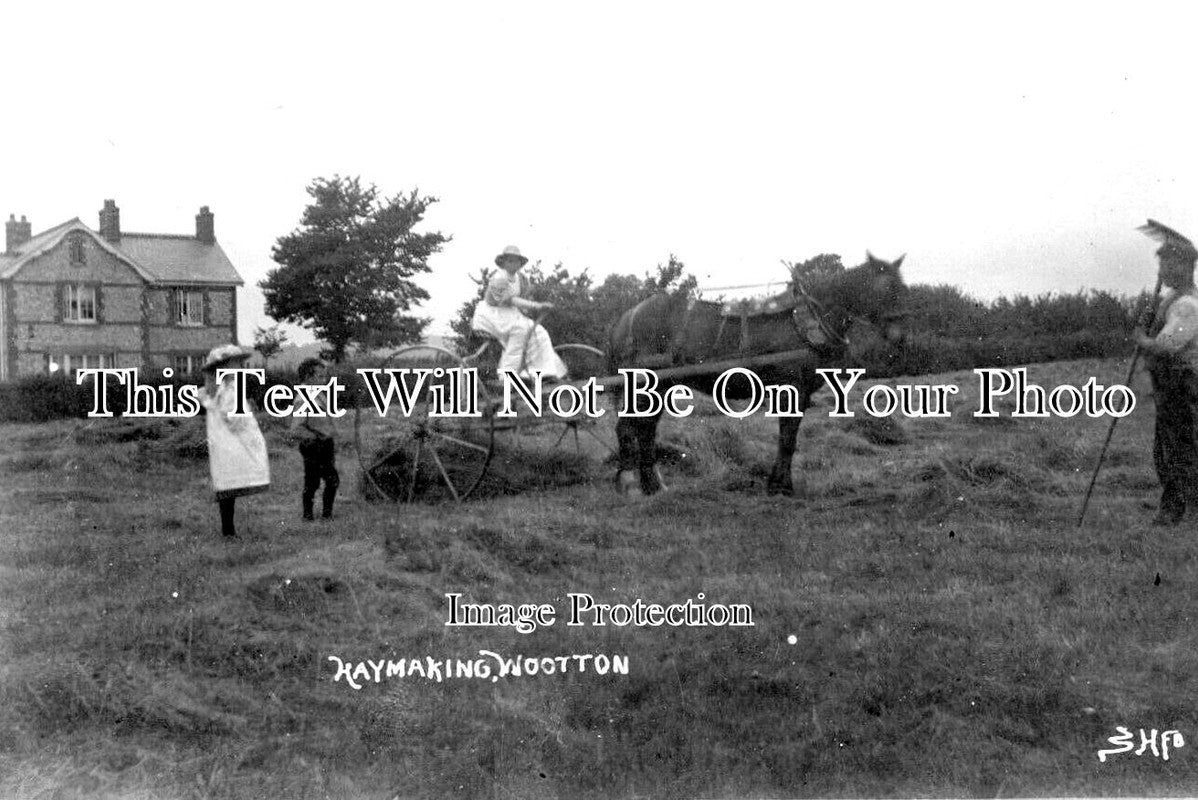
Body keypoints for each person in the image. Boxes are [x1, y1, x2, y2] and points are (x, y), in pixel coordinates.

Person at [1134, 228, 1198, 526]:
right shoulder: (1172, 298)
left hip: (1183, 386)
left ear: (1186, 267)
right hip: (1170, 387)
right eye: (1161, 265)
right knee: (1169, 448)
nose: (1162, 270)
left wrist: (1142, 340)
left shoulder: (1187, 305)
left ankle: (1175, 511)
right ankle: (1180, 509)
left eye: (1169, 264)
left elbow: (1166, 347)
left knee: (1178, 450)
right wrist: (1150, 320)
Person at [199, 344, 270, 538]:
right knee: (230, 486)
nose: (240, 368)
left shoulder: (216, 390)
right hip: (234, 442)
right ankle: (228, 531)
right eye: (236, 364)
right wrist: (248, 421)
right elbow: (235, 419)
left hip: (223, 443)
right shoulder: (230, 390)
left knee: (227, 488)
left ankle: (228, 530)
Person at [471, 245, 568, 380]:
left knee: (539, 332)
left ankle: (543, 371)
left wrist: (528, 308)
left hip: (509, 313)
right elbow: (511, 300)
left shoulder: (519, 278)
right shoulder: (499, 277)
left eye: (516, 261)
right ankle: (507, 376)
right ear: (503, 263)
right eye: (509, 261)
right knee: (520, 330)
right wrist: (537, 306)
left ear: (520, 263)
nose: (513, 264)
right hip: (492, 314)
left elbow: (520, 299)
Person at [293, 357, 340, 521]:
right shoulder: (303, 399)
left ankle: (325, 515)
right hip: (314, 445)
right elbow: (297, 427)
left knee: (329, 480)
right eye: (320, 377)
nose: (324, 380)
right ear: (308, 377)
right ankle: (309, 516)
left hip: (325, 444)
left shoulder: (319, 395)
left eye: (324, 376)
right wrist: (315, 437)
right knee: (315, 482)